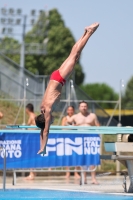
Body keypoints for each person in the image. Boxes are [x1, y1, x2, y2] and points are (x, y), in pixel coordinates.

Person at [36, 23, 100, 155]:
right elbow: (42, 131)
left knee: (76, 54)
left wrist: (44, 147)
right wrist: (42, 147)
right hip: (55, 77)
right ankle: (85, 32)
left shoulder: (47, 111)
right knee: (74, 55)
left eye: (49, 122)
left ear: (46, 120)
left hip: (59, 78)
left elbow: (45, 131)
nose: (51, 122)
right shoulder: (42, 109)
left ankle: (89, 33)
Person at [66, 101, 100, 184]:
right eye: (82, 106)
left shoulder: (92, 116)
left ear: (87, 107)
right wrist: (73, 127)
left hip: (91, 139)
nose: (84, 108)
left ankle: (93, 179)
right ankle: (84, 178)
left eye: (85, 106)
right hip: (80, 139)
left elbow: (98, 125)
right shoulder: (75, 117)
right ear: (79, 107)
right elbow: (67, 124)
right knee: (83, 159)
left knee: (92, 159)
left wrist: (98, 136)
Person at [61, 106, 80, 179]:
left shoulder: (75, 118)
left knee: (76, 155)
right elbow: (62, 128)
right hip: (67, 138)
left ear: (74, 110)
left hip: (75, 138)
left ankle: (76, 172)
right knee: (67, 156)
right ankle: (68, 172)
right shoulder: (65, 118)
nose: (70, 111)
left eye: (71, 110)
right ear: (67, 111)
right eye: (69, 110)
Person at [25, 103, 36, 180]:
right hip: (32, 137)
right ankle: (33, 173)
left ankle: (31, 174)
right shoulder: (32, 116)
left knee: (31, 155)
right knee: (32, 155)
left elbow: (37, 126)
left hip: (32, 138)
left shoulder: (32, 116)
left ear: (27, 109)